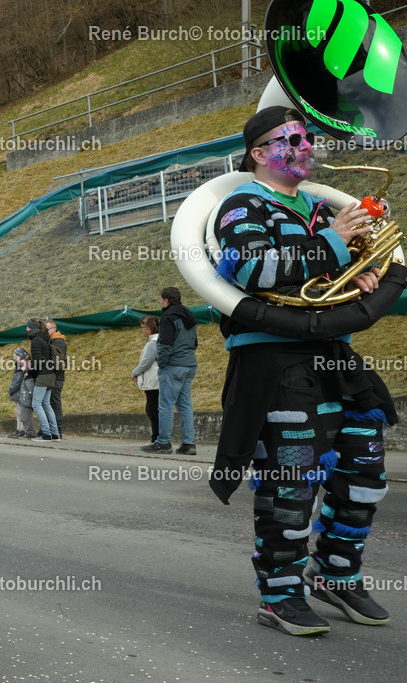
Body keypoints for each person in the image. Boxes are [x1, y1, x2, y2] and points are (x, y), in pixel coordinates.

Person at [209, 105, 397, 636]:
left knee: (365, 472)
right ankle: (280, 592)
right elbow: (252, 267)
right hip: (276, 360)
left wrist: (361, 272)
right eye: (290, 138)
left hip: (333, 355)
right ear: (259, 152)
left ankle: (337, 574)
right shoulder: (241, 205)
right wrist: (334, 244)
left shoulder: (316, 209)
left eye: (306, 136)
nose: (305, 145)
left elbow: (329, 266)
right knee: (291, 484)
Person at [141, 287, 197, 455]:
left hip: (173, 365)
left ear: (166, 300)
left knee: (165, 404)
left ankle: (163, 442)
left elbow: (164, 344)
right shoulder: (190, 315)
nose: (160, 303)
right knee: (185, 405)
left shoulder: (168, 316)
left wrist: (163, 364)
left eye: (160, 300)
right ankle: (189, 443)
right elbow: (195, 342)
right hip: (189, 363)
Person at [26, 318, 59, 441]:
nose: (26, 329)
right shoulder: (45, 338)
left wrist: (29, 373)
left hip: (43, 375)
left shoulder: (36, 340)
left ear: (31, 328)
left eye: (27, 327)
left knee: (36, 404)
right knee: (46, 404)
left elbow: (37, 362)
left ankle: (46, 434)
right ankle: (55, 433)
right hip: (51, 374)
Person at [131, 316, 159, 446]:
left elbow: (145, 363)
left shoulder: (153, 343)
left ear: (149, 329)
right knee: (152, 409)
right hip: (153, 380)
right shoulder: (155, 341)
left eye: (142, 328)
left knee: (153, 410)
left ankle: (156, 438)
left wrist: (135, 372)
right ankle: (156, 437)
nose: (141, 330)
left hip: (153, 381)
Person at [44, 319, 67, 434]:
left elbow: (58, 362)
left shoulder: (58, 342)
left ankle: (57, 429)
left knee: (54, 402)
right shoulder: (52, 341)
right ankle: (52, 428)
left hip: (56, 378)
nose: (45, 331)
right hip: (53, 377)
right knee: (50, 402)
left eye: (46, 329)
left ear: (53, 329)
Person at [8, 348, 36, 438]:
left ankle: (23, 430)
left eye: (17, 355)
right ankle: (19, 429)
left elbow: (18, 380)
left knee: (22, 413)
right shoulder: (18, 364)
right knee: (18, 412)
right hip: (18, 392)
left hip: (21, 392)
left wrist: (11, 390)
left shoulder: (22, 365)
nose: (14, 357)